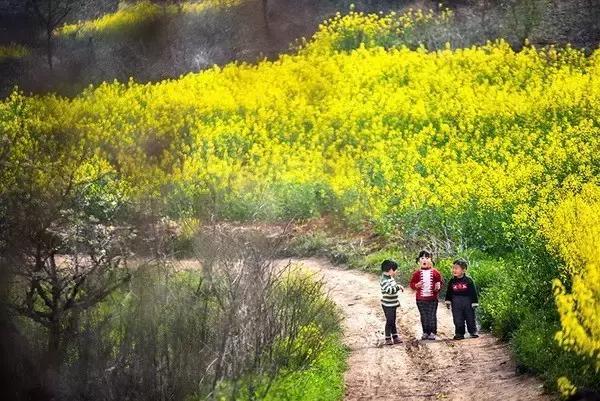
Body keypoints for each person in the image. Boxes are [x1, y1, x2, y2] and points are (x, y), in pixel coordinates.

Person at [409, 250, 443, 340]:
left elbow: (440, 283)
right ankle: (425, 332)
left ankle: (432, 332)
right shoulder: (416, 273)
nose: (424, 260)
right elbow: (412, 284)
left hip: (433, 299)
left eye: (427, 258)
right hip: (420, 299)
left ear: (431, 260)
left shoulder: (436, 273)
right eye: (422, 258)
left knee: (432, 315)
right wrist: (416, 285)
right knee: (424, 316)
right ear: (419, 261)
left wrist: (438, 286)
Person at [445, 259, 479, 340]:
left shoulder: (469, 280)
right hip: (456, 302)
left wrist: (474, 302)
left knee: (470, 317)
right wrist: (448, 301)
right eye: (453, 268)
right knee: (457, 318)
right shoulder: (452, 281)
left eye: (456, 268)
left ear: (463, 270)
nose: (454, 270)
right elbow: (449, 292)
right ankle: (459, 333)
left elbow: (473, 292)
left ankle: (473, 331)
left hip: (467, 302)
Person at [380, 259, 404, 345]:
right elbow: (390, 290)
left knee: (392, 320)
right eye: (395, 270)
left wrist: (397, 286)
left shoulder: (390, 278)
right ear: (390, 270)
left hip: (392, 303)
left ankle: (395, 336)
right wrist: (398, 287)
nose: (395, 272)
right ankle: (387, 338)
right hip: (387, 304)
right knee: (389, 321)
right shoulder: (384, 280)